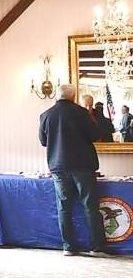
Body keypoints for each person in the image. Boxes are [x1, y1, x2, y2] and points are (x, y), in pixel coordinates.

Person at [38, 84, 108, 257]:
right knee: (90, 206)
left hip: (58, 166)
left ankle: (68, 247)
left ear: (57, 96)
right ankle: (97, 247)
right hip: (83, 165)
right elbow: (95, 135)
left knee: (64, 207)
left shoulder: (46, 115)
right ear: (73, 96)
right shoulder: (81, 113)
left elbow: (43, 141)